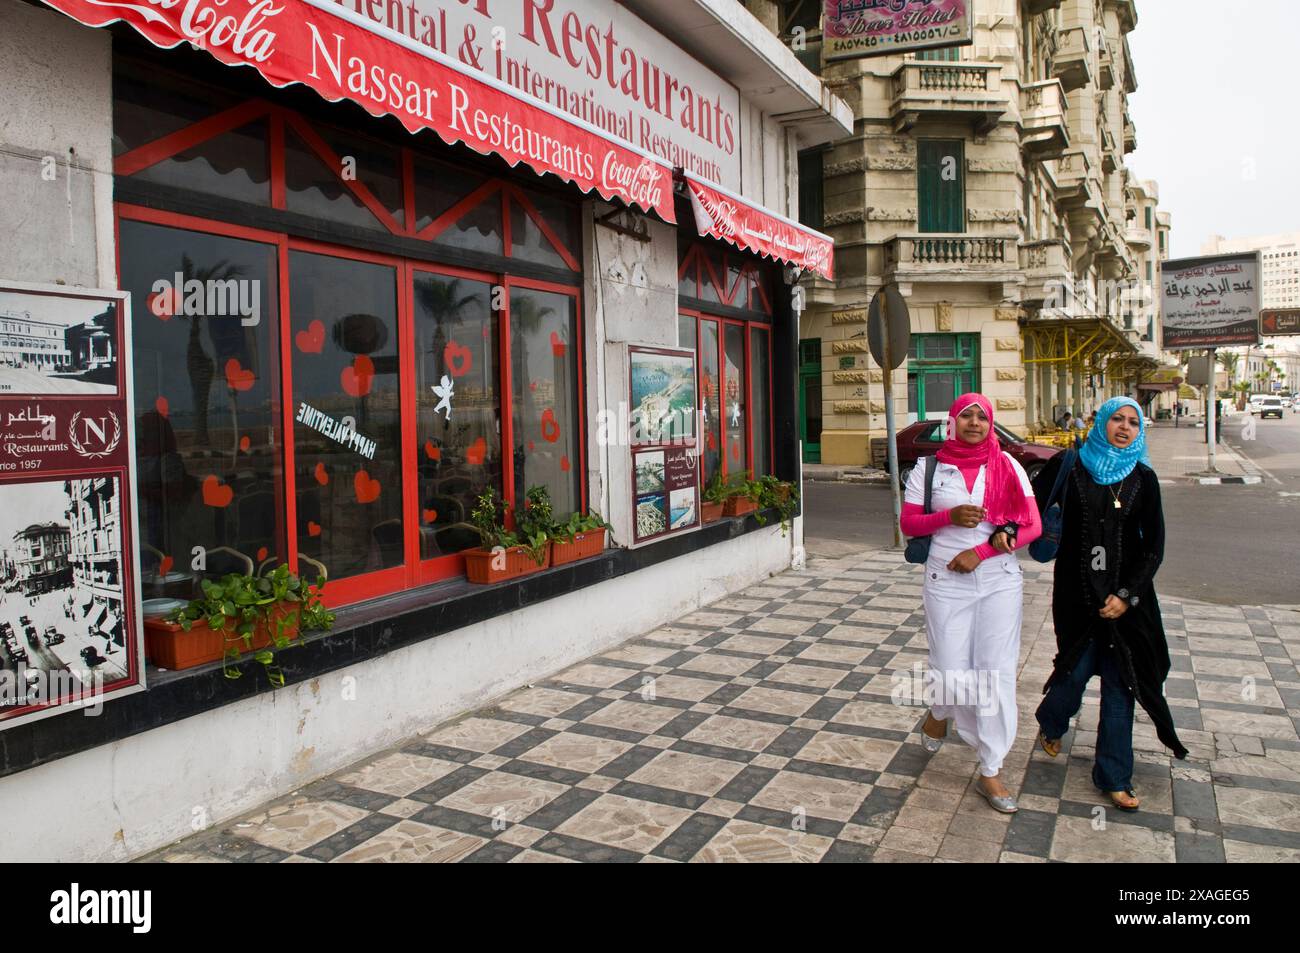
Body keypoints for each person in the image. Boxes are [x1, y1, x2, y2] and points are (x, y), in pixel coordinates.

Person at [1031, 396, 1188, 812]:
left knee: (1121, 688)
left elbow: (1154, 547)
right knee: (1073, 674)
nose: (1123, 427)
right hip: (1077, 598)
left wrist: (1127, 595)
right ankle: (1050, 721)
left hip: (1127, 604)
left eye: (1132, 422)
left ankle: (1115, 776)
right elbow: (1029, 510)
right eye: (1116, 419)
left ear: (1140, 431)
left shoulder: (1143, 478)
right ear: (1100, 423)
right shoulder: (1070, 467)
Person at [901, 394, 1042, 814]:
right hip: (945, 581)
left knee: (994, 674)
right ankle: (941, 708)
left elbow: (1031, 525)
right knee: (949, 668)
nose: (975, 422)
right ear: (953, 422)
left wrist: (981, 552)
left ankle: (991, 767)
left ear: (991, 423)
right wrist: (949, 516)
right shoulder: (928, 469)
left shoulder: (1008, 466)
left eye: (982, 416)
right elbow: (908, 523)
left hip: (998, 580)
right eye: (967, 416)